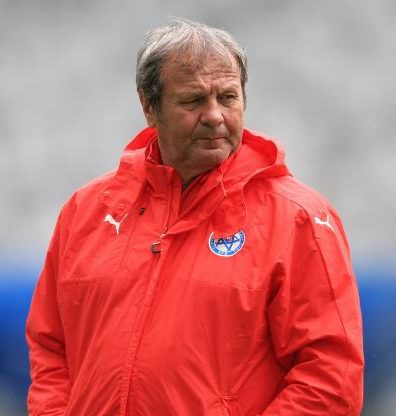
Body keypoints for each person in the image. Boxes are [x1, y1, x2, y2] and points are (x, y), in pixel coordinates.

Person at [26, 18, 364, 415]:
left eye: (228, 97)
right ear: (149, 107)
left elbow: (331, 377)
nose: (215, 115)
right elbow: (51, 348)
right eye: (193, 100)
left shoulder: (300, 219)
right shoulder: (86, 210)